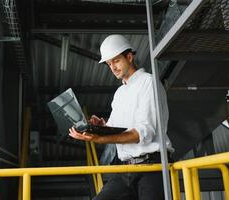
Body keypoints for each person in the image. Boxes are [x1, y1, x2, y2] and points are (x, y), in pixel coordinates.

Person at [69, 34, 174, 200]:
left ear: (129, 57)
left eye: (116, 61)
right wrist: (103, 127)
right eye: (109, 64)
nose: (113, 68)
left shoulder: (148, 83)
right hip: (125, 170)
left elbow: (142, 134)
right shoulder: (120, 93)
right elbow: (119, 127)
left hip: (151, 169)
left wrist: (100, 139)